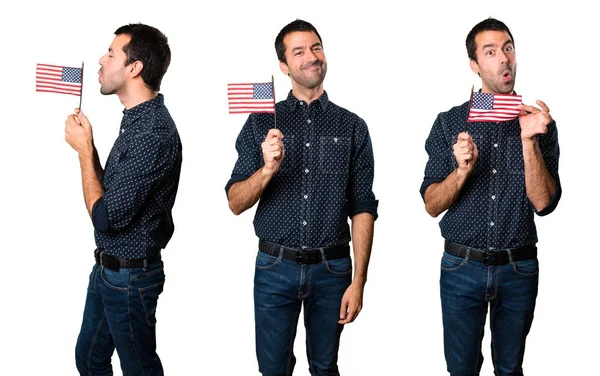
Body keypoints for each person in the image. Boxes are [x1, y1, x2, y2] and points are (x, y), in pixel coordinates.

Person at [226, 19, 378, 376]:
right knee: (273, 369)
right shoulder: (261, 121)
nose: (311, 57)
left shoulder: (353, 126)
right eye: (299, 52)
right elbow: (235, 201)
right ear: (284, 66)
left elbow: (362, 206)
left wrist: (359, 280)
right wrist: (266, 169)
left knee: (325, 367)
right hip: (274, 268)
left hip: (333, 270)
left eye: (316, 47)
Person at [420, 18, 561, 376]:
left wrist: (529, 141)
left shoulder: (539, 123)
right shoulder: (449, 123)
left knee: (510, 369)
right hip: (460, 268)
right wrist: (462, 170)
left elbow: (544, 204)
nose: (504, 59)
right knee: (461, 369)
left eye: (508, 48)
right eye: (491, 51)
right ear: (474, 64)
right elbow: (432, 204)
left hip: (518, 268)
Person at [65, 23, 182, 376]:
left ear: (134, 68)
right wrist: (92, 147)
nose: (101, 60)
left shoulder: (152, 133)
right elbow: (114, 191)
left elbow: (104, 216)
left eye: (112, 53)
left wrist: (84, 152)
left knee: (140, 369)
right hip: (107, 271)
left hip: (130, 279)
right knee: (89, 359)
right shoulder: (135, 121)